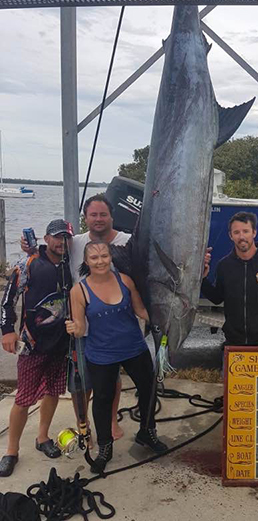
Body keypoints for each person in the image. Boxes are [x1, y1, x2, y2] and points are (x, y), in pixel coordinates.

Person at [21, 193, 129, 440]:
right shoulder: (74, 242)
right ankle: (84, 426)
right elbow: (49, 251)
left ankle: (111, 422)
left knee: (112, 379)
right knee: (81, 384)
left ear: (112, 216)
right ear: (85, 218)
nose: (99, 219)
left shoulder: (127, 241)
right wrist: (29, 249)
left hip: (114, 328)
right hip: (79, 326)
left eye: (103, 214)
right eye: (93, 215)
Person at [65, 241, 167, 473]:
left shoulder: (125, 281)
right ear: (86, 262)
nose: (100, 261)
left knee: (149, 389)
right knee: (102, 399)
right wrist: (73, 328)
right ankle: (105, 447)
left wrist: (163, 319)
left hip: (133, 347)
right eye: (94, 258)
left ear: (111, 258)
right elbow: (81, 328)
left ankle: (147, 432)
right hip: (101, 353)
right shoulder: (78, 291)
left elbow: (141, 311)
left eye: (104, 256)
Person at [0, 219, 74, 477]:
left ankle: (42, 437)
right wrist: (7, 330)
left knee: (53, 392)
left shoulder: (71, 266)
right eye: (56, 237)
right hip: (32, 344)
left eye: (66, 238)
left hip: (61, 343)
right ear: (45, 238)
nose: (61, 242)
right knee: (23, 399)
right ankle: (11, 451)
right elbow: (7, 301)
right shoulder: (29, 263)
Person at [201, 211, 258, 348]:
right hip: (233, 344)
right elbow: (217, 298)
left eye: (246, 231)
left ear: (254, 233)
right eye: (236, 232)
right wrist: (202, 279)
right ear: (230, 236)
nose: (242, 236)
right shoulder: (224, 265)